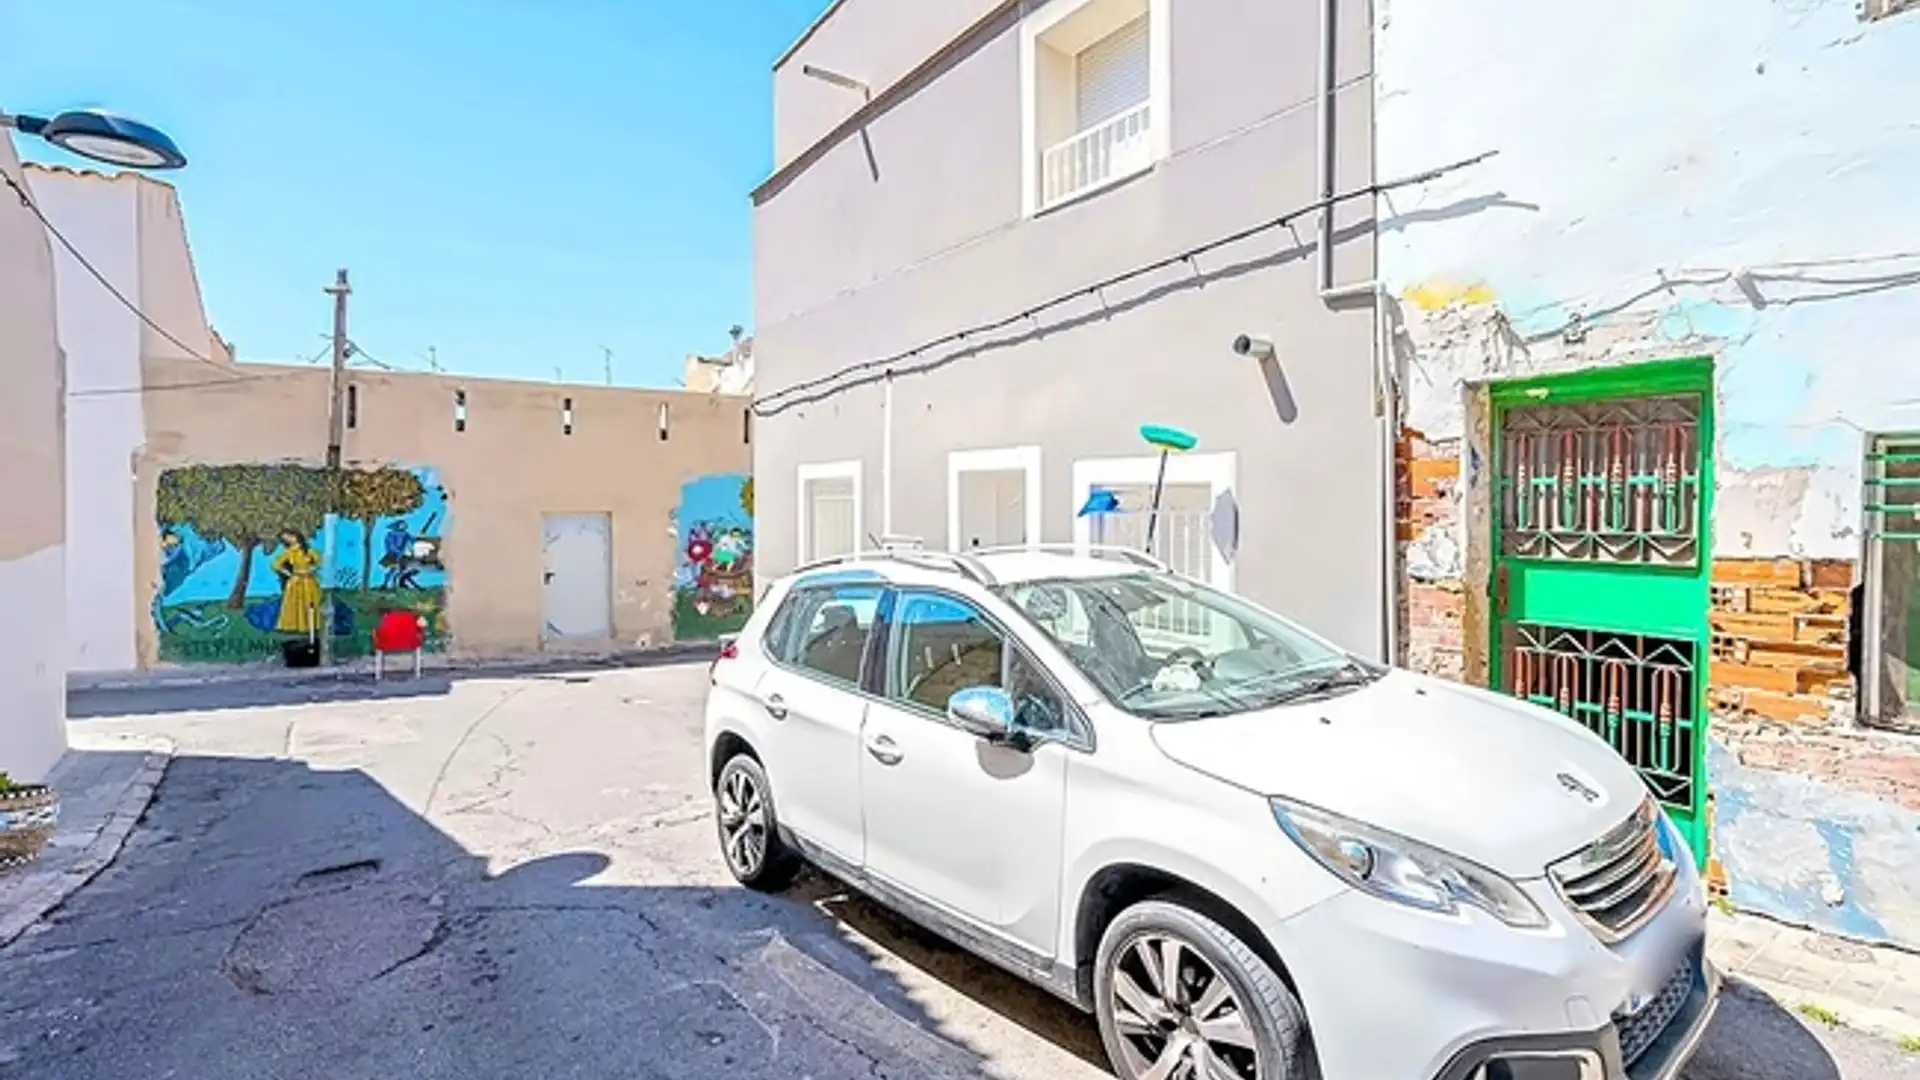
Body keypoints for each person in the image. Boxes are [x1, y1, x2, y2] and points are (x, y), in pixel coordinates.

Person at [269, 530, 324, 634]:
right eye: (285, 539)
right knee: (294, 603)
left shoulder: (308, 550)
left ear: (296, 535)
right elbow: (275, 563)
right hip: (295, 580)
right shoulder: (289, 552)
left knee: (309, 602)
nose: (289, 539)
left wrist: (313, 569)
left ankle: (310, 625)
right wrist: (287, 573)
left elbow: (319, 561)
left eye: (289, 536)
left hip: (309, 580)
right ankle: (293, 626)